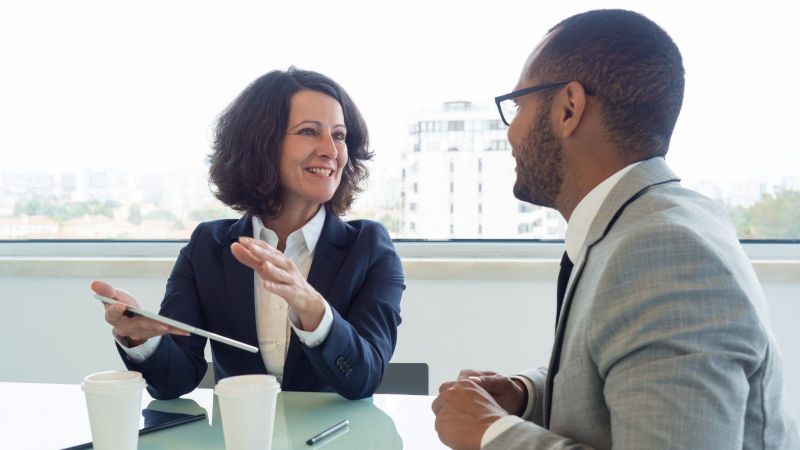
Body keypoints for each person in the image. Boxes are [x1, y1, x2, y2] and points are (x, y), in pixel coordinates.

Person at [432, 9, 799, 449]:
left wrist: (493, 434)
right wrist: (526, 393)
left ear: (569, 108)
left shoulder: (665, 252)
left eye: (518, 106)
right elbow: (623, 371)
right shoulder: (649, 222)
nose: (510, 133)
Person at [91, 67, 404, 401]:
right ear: (261, 144)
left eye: (339, 135)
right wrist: (142, 340)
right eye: (309, 131)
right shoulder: (207, 248)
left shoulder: (370, 248)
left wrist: (311, 307)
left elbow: (364, 377)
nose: (331, 149)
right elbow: (175, 382)